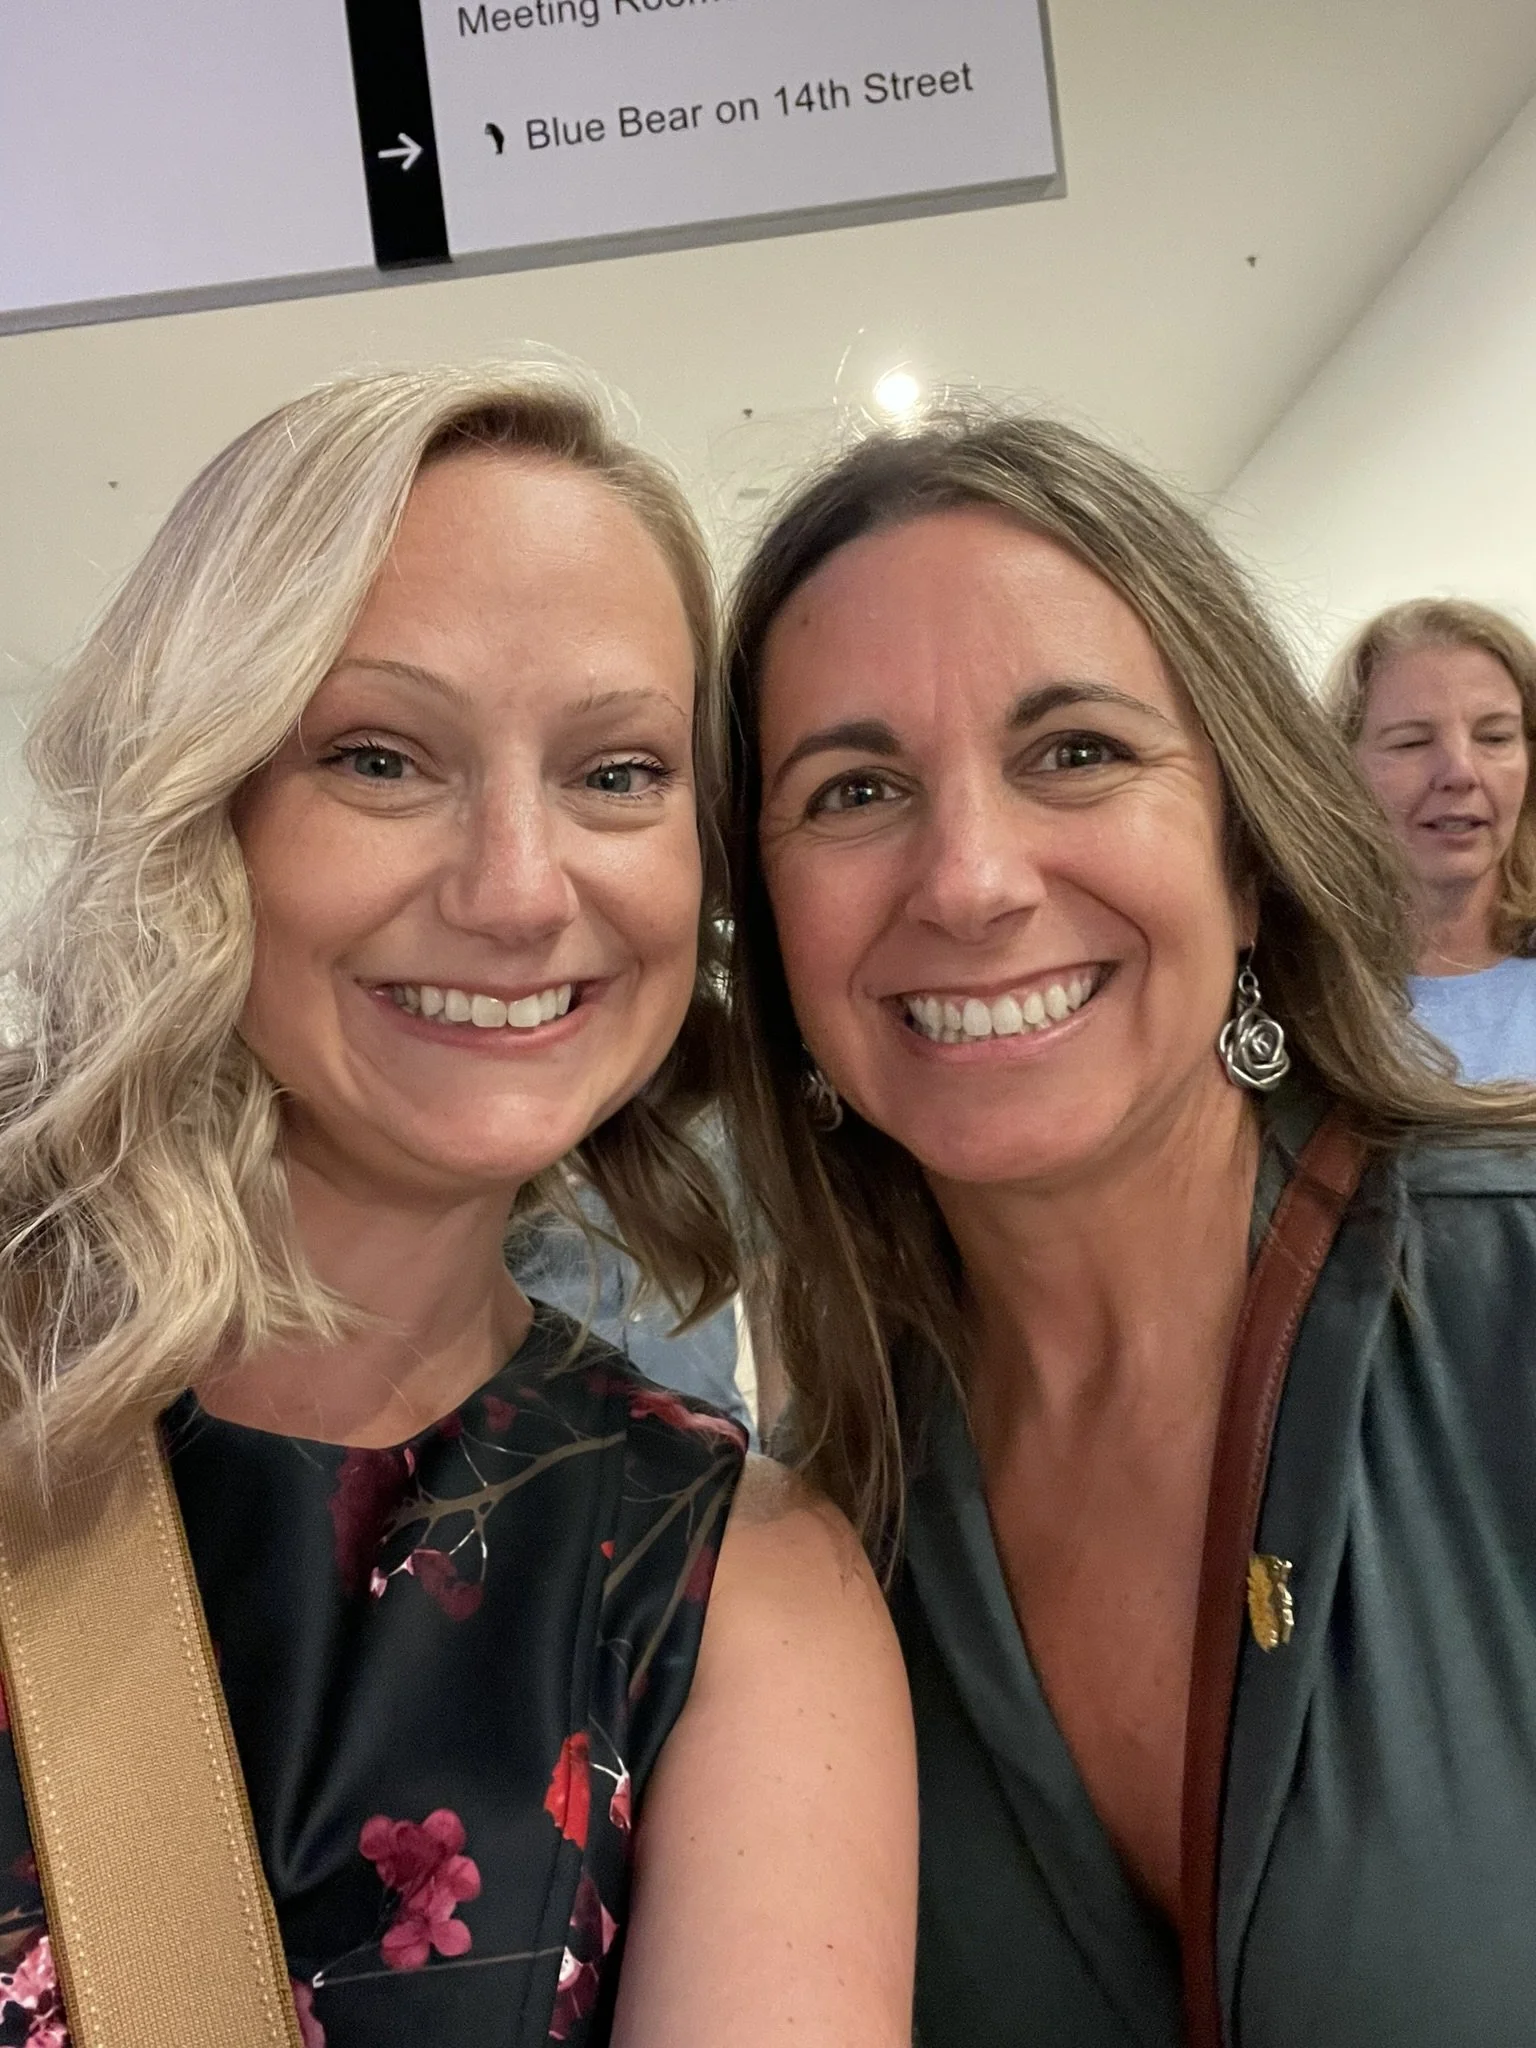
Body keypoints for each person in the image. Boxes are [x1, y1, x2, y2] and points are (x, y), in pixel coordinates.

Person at [0, 368, 915, 2047]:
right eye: (379, 755)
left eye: (618, 771)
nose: (516, 886)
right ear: (201, 808)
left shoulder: (731, 1591)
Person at [721, 409, 1536, 2046]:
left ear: (1244, 851)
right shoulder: (821, 1528)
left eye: (1076, 751)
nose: (966, 878)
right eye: (855, 785)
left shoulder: (1506, 1298)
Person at [1332, 597, 1536, 1082]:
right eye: (1412, 743)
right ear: (1339, 767)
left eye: (1494, 737)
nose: (1461, 774)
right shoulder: (1290, 988)